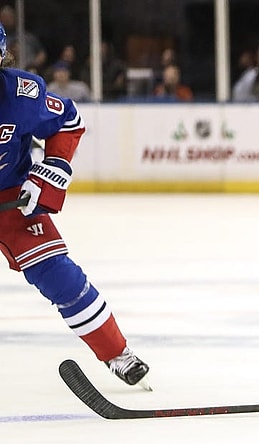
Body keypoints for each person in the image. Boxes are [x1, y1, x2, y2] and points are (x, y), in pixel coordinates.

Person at [0, 24, 150, 389]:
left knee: (60, 276)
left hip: (11, 202)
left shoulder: (21, 93)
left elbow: (68, 121)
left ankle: (117, 353)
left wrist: (52, 167)